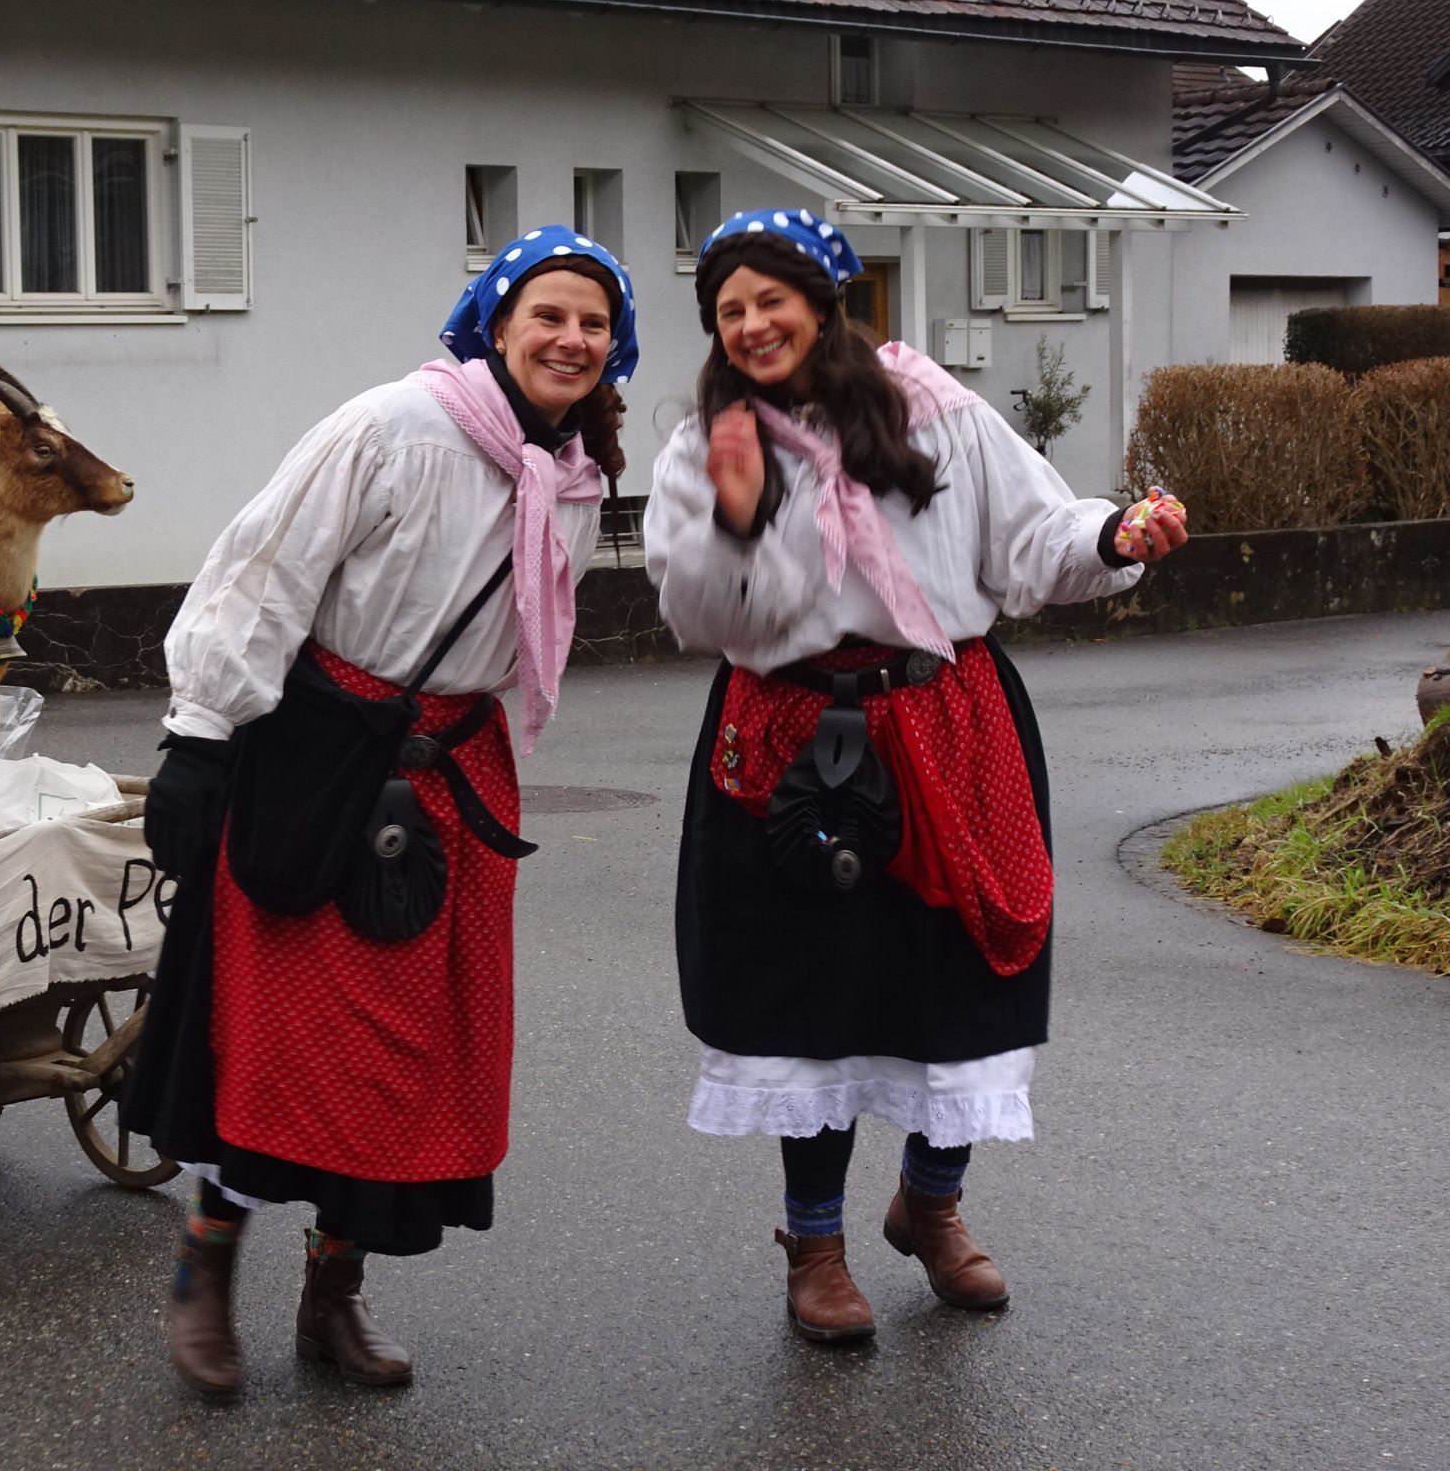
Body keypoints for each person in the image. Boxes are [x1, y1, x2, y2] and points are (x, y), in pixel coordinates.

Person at [643, 209, 1186, 1345]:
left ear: (826, 303)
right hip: (790, 731)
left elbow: (1030, 540)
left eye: (768, 299)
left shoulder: (937, 411)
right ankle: (815, 1245)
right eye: (727, 309)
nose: (748, 324)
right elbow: (696, 617)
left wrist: (1111, 540)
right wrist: (738, 524)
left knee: (965, 973)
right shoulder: (713, 444)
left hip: (945, 720)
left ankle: (930, 1209)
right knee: (814, 997)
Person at [126, 227, 636, 1396]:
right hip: (321, 764)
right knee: (277, 1046)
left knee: (400, 1062)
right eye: (547, 314)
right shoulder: (389, 430)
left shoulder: (570, 473)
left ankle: (332, 1296)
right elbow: (260, 572)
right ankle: (203, 1279)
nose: (569, 338)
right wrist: (197, 741)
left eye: (593, 324)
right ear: (494, 324)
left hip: (450, 774)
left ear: (614, 350)